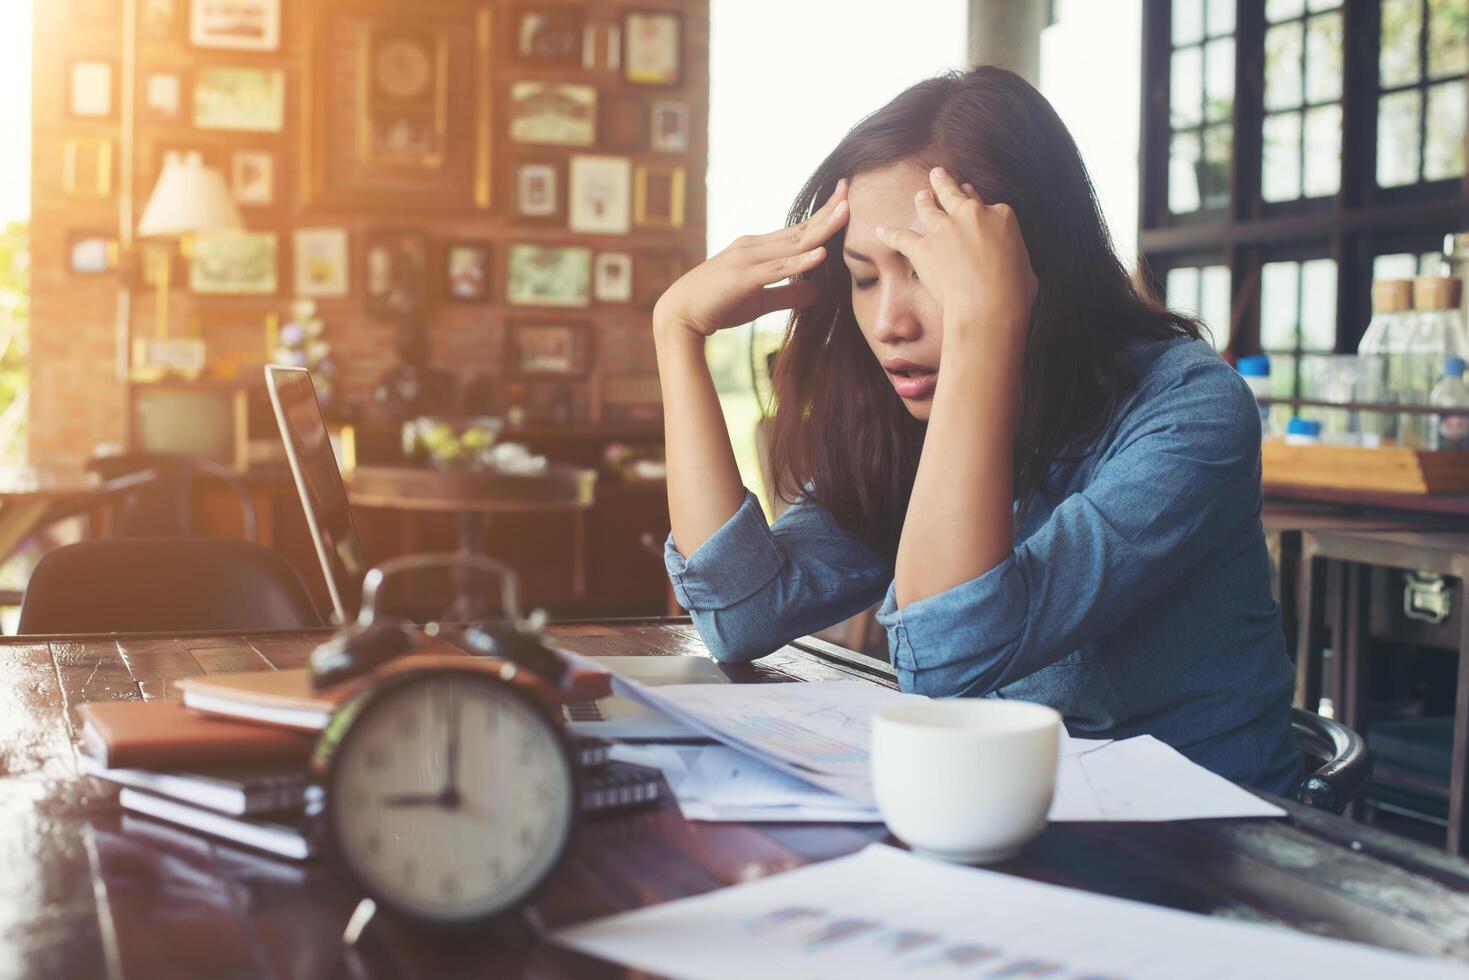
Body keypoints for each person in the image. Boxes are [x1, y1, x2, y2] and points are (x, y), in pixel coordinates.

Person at [651, 66, 1298, 794]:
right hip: (1006, 812)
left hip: (1208, 842)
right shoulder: (907, 418)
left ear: (1032, 262)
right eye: (864, 278)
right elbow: (739, 615)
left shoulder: (1189, 406)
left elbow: (947, 654)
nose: (889, 321)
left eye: (926, 268)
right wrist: (676, 331)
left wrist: (986, 324)